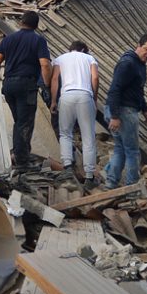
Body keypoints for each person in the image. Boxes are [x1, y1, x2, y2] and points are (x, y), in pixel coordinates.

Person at [0, 11, 51, 171]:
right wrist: (46, 84)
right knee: (24, 123)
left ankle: (22, 154)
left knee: (20, 122)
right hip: (26, 85)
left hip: (8, 85)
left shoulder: (8, 39)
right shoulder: (38, 40)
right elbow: (45, 64)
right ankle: (22, 162)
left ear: (21, 22)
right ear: (36, 25)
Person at [105, 33, 147, 189]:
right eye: (146, 49)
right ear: (138, 46)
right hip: (123, 110)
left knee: (120, 148)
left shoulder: (139, 64)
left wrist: (145, 109)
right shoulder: (128, 64)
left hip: (124, 110)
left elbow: (138, 90)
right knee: (132, 151)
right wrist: (115, 116)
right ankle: (132, 187)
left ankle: (111, 183)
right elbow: (115, 89)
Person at [50, 40, 99, 188]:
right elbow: (95, 78)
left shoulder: (60, 58)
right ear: (84, 49)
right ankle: (89, 177)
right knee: (88, 136)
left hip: (66, 97)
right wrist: (94, 99)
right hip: (85, 96)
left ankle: (67, 168)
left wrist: (53, 100)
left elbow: (54, 79)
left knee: (65, 133)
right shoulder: (90, 58)